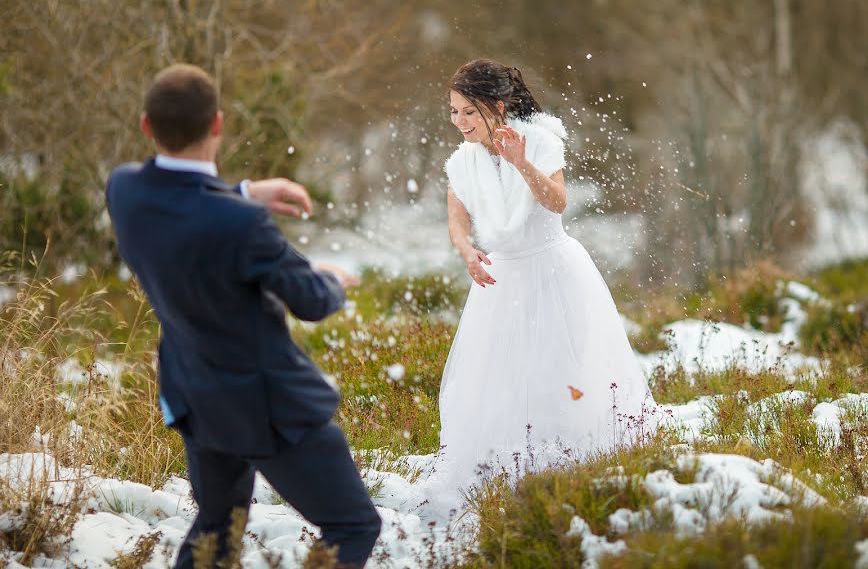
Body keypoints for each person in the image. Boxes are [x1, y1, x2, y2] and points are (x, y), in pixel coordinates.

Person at [106, 64, 381, 568]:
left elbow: (184, 204)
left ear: (146, 126)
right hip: (270, 406)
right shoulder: (243, 226)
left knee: (217, 528)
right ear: (217, 124)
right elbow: (311, 302)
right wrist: (331, 280)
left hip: (197, 396)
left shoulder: (124, 191)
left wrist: (247, 190)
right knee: (354, 525)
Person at [426, 59, 656, 516]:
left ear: (497, 107)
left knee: (557, 367)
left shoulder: (541, 140)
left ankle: (572, 461)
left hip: (554, 272)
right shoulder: (462, 162)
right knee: (501, 372)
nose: (459, 122)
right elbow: (457, 221)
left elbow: (557, 202)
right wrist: (468, 252)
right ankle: (506, 462)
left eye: (469, 112)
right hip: (500, 280)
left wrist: (521, 164)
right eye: (453, 112)